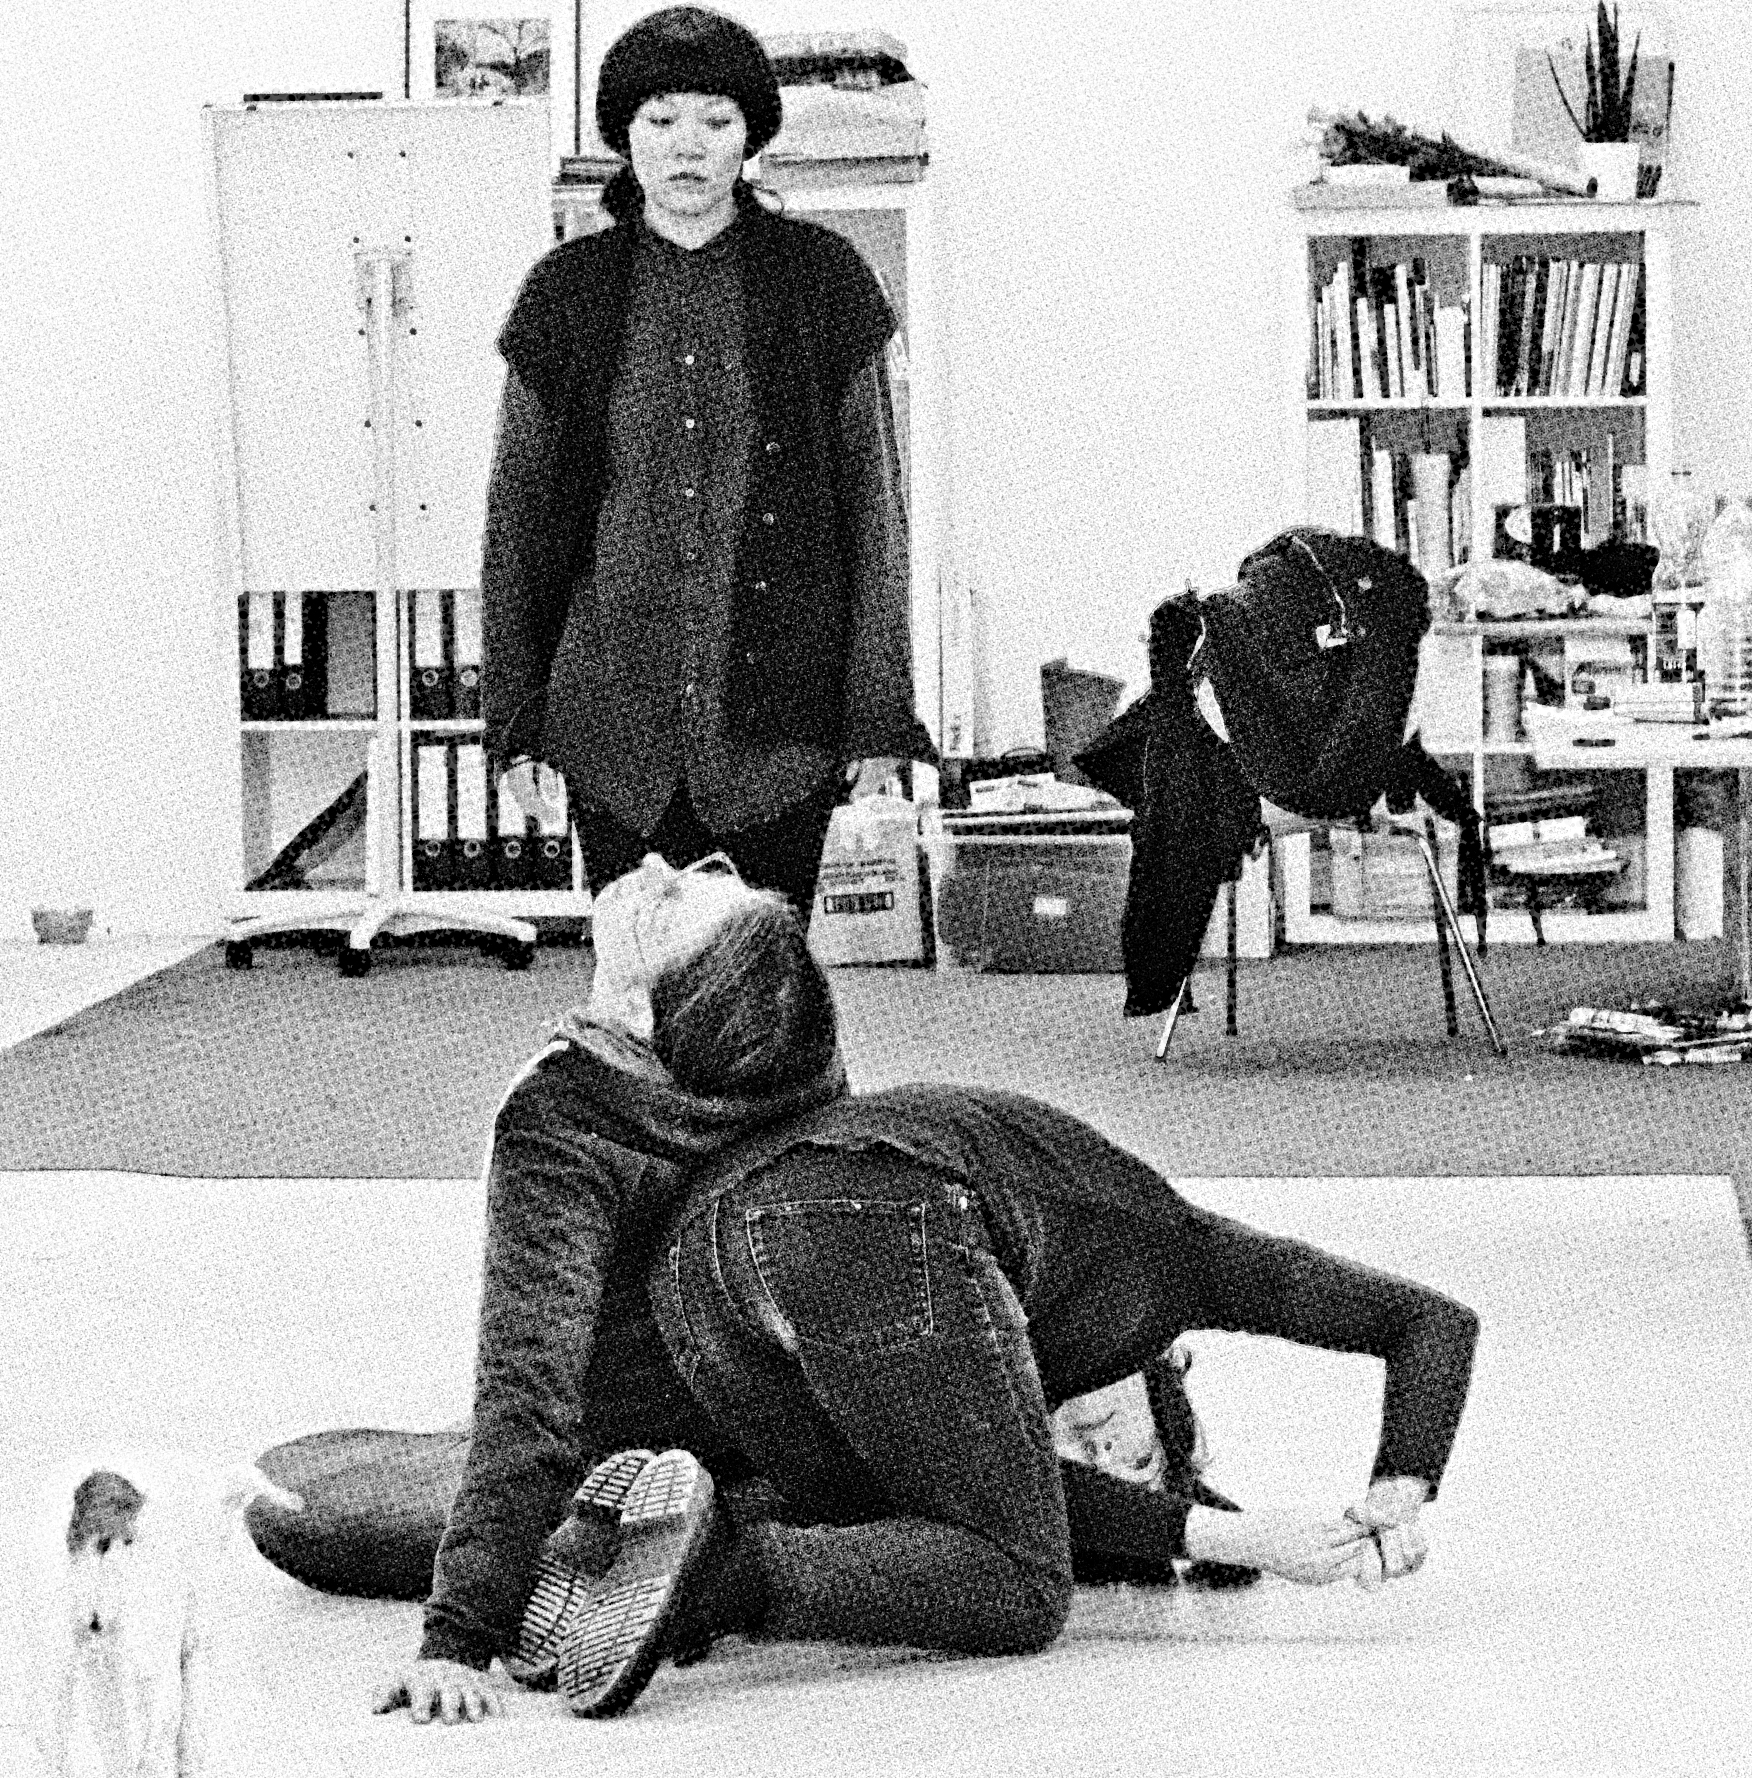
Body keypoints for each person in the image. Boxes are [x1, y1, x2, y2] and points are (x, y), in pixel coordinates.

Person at [255, 851, 1478, 1725]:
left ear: (635, 1007)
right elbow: (529, 1388)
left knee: (323, 1507)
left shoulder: (755, 1048)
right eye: (1126, 1437)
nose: (669, 864)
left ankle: (673, 1551)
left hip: (741, 1394)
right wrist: (458, 1631)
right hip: (647, 1399)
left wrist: (1281, 1519)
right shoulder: (576, 1114)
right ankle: (666, 1556)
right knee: (303, 1503)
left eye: (679, 891)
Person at [482, 6, 936, 914]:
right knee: (640, 982)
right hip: (613, 725)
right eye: (661, 120)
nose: (688, 146)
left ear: (750, 138)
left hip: (782, 731)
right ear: (624, 137)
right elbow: (516, 526)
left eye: (716, 121)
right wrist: (516, 725)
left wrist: (877, 716)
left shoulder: (824, 281)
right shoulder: (564, 294)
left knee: (761, 980)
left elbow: (874, 515)